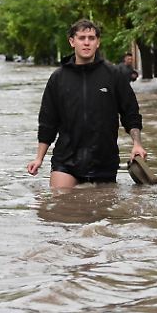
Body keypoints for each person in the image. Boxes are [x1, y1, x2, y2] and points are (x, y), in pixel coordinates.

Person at [26, 19, 147, 188]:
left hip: (104, 160)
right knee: (59, 204)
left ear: (98, 42)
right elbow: (48, 122)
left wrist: (137, 144)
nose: (86, 42)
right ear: (72, 41)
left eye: (91, 38)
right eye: (82, 38)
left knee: (103, 211)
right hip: (66, 160)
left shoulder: (114, 75)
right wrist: (39, 158)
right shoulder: (58, 78)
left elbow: (131, 114)